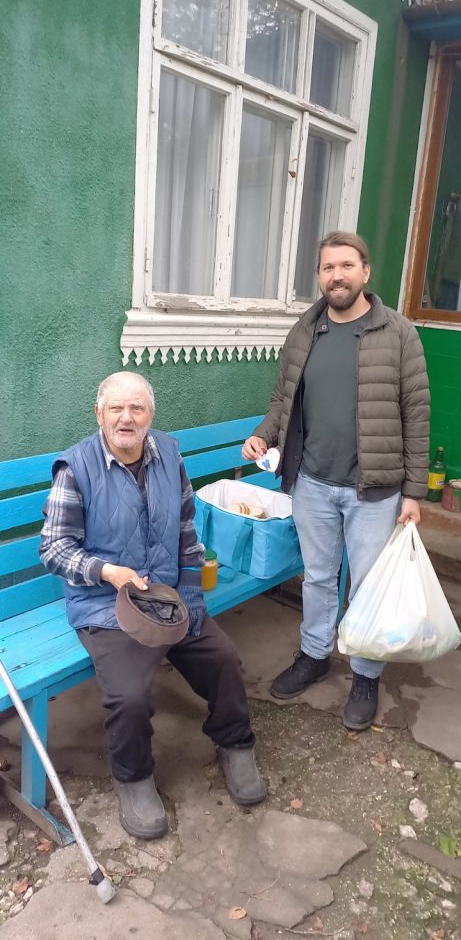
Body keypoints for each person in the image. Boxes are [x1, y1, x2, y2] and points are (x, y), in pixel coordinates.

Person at [40, 371, 266, 840]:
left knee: (223, 659)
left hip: (166, 596)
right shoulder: (76, 468)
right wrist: (107, 572)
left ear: (150, 415)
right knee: (129, 695)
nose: (127, 418)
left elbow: (186, 529)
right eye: (116, 409)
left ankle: (235, 743)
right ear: (98, 414)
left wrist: (191, 594)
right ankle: (134, 777)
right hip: (106, 604)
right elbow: (54, 548)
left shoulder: (168, 454)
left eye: (137, 409)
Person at [242, 231, 430, 731]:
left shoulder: (399, 333)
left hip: (375, 489)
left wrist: (414, 492)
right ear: (320, 276)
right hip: (312, 482)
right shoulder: (305, 330)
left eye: (346, 265)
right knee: (319, 577)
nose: (337, 275)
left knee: (367, 586)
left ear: (366, 272)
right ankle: (315, 653)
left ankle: (366, 673)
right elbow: (282, 400)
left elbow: (416, 413)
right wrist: (263, 436)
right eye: (327, 268)